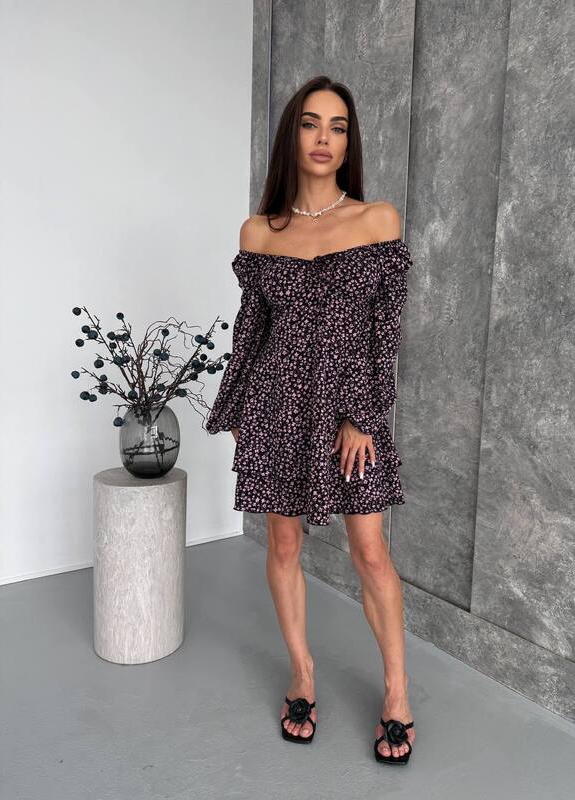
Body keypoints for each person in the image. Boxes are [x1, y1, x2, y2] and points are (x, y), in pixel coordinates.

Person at [205, 75, 415, 765]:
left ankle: (397, 692)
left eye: (338, 126)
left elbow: (385, 332)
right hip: (276, 406)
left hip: (351, 410)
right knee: (284, 544)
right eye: (311, 123)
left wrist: (364, 417)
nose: (324, 138)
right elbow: (251, 330)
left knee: (370, 552)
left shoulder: (377, 220)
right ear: (291, 135)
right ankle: (302, 674)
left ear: (349, 143)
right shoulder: (259, 231)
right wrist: (239, 409)